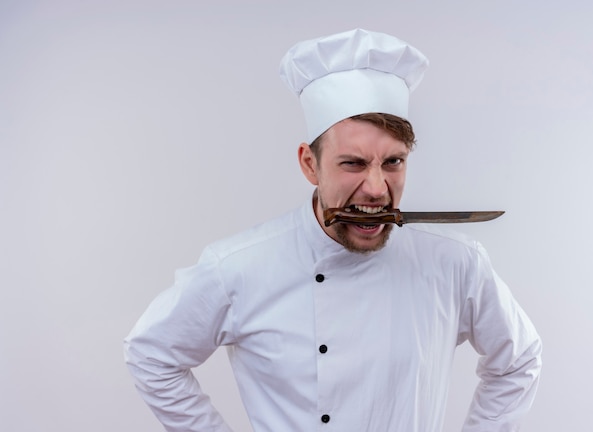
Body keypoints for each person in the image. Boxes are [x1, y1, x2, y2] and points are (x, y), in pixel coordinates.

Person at [124, 28, 542, 432]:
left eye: (393, 162)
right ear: (310, 164)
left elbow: (519, 359)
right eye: (353, 163)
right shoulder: (239, 266)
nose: (377, 189)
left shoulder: (456, 263)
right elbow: (151, 354)